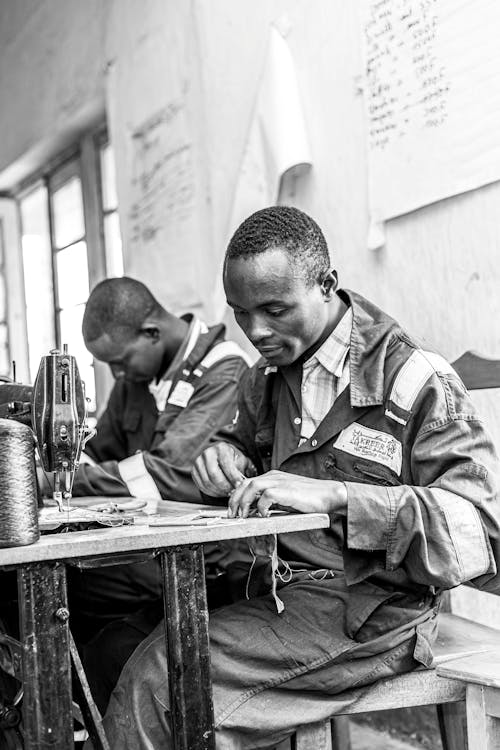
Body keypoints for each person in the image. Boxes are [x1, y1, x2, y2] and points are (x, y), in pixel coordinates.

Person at [92, 207, 500, 749]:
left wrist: (338, 497)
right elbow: (245, 449)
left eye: (275, 309)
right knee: (119, 634)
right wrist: (226, 458)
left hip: (369, 611)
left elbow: (482, 534)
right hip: (274, 582)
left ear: (327, 284)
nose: (257, 330)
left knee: (162, 677)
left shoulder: (414, 380)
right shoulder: (265, 378)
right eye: (241, 313)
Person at [65, 276, 251, 647]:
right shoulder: (137, 378)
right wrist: (63, 470)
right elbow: (96, 452)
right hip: (145, 546)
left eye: (119, 362)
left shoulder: (225, 373)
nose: (117, 374)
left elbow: (162, 474)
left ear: (151, 332)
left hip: (201, 559)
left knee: (67, 586)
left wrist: (64, 482)